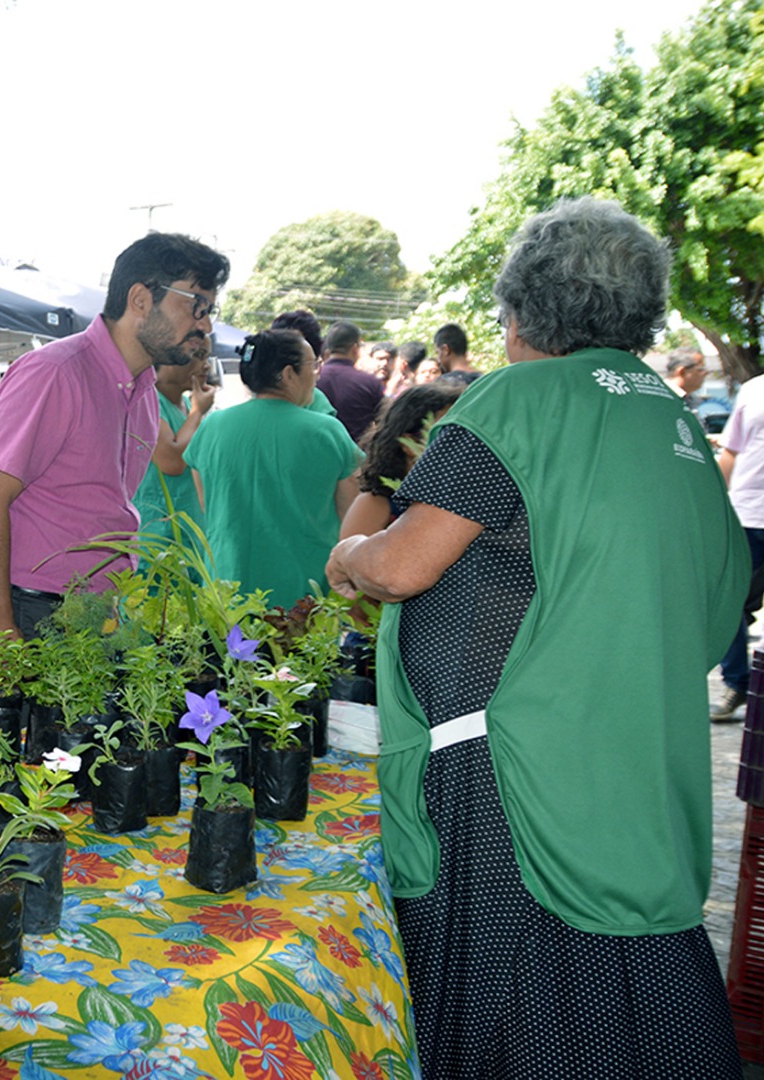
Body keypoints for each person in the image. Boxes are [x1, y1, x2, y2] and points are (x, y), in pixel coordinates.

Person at [326, 197, 748, 1077]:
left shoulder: (514, 399)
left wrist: (353, 551)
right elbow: (717, 608)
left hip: (512, 780)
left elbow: (406, 566)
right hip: (630, 767)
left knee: (512, 1011)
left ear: (521, 315)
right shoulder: (669, 419)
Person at [0, 232, 229, 664]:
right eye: (196, 306)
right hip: (29, 615)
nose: (205, 325)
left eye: (210, 310)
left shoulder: (142, 392)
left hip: (97, 614)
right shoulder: (54, 372)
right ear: (141, 299)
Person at [184, 329, 361, 604]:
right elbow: (353, 517)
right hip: (305, 594)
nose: (316, 374)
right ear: (289, 374)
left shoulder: (211, 427)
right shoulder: (327, 431)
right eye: (313, 365)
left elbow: (208, 504)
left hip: (226, 587)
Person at [339, 383, 462, 539]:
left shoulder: (458, 495)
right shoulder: (376, 504)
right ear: (408, 444)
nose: (459, 440)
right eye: (445, 432)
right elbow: (348, 561)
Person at [712, 369, 764, 721]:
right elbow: (732, 450)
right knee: (731, 603)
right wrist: (715, 502)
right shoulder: (754, 390)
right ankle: (737, 684)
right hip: (748, 513)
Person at [132, 351, 212, 541]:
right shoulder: (147, 401)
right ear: (167, 360)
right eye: (198, 356)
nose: (206, 365)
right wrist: (198, 411)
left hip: (190, 529)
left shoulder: (186, 404)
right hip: (159, 534)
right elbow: (173, 462)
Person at [316, 318, 384, 440]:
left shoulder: (311, 378)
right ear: (355, 348)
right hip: (357, 452)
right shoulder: (369, 382)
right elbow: (384, 421)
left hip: (316, 450)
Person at [432, 322, 479, 386]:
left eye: (437, 352)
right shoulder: (483, 379)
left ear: (445, 350)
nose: (438, 360)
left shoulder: (443, 384)